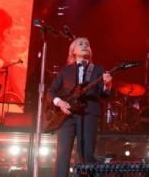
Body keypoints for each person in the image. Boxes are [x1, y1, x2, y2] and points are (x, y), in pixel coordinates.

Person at [46, 37, 112, 177]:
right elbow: (50, 91)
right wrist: (60, 102)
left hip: (88, 113)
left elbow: (104, 96)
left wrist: (108, 85)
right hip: (67, 114)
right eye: (80, 44)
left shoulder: (98, 69)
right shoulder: (65, 71)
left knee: (87, 152)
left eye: (87, 44)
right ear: (73, 51)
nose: (85, 46)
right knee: (63, 152)